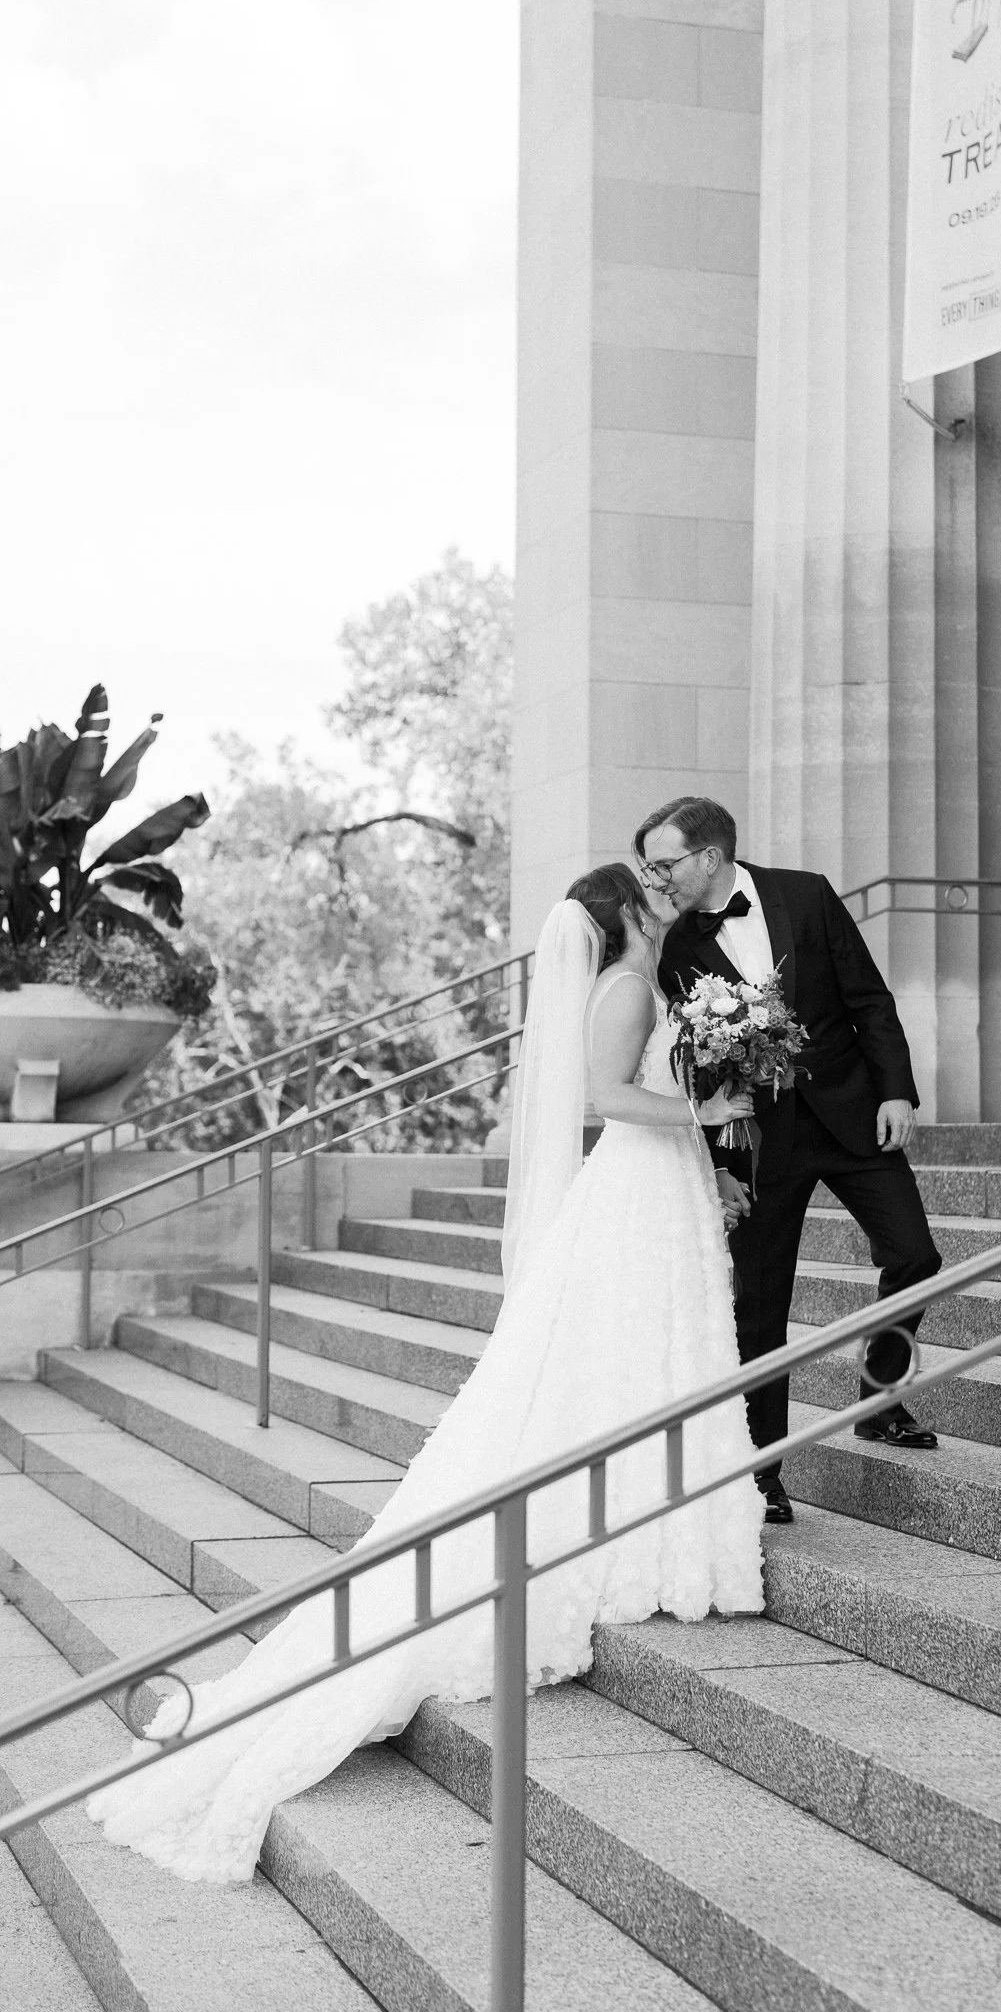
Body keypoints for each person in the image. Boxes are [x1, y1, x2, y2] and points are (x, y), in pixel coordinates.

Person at [86, 866, 764, 1883]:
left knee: (652, 1348)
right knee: (626, 1349)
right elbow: (605, 1097)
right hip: (633, 1183)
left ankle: (658, 1510)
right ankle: (639, 1518)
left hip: (656, 1188)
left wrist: (710, 1129)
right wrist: (708, 1114)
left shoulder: (653, 977)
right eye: (652, 885)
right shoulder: (625, 986)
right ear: (625, 911)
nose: (668, 893)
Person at [639, 796, 942, 1526]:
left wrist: (896, 1092)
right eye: (649, 866)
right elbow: (698, 1069)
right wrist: (717, 1165)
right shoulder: (677, 948)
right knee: (760, 1303)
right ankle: (761, 1472)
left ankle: (879, 1395)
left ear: (709, 856)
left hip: (851, 1113)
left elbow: (869, 998)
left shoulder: (803, 892)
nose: (656, 879)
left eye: (665, 863)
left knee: (914, 1253)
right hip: (757, 1140)